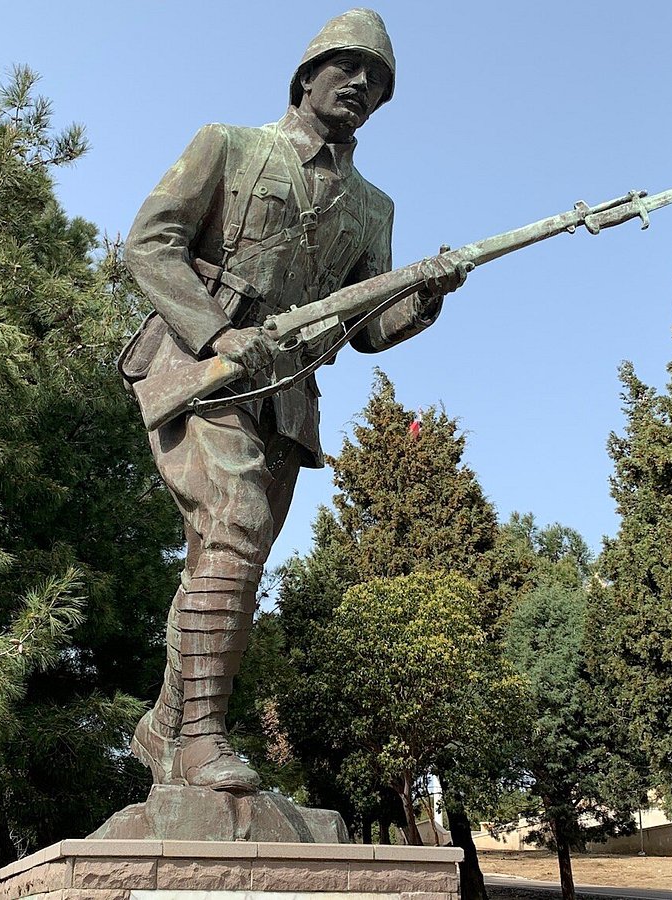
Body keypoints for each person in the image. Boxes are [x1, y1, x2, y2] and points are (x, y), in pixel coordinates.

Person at [120, 8, 468, 793]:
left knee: (227, 563)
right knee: (235, 528)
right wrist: (214, 334)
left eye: (376, 81)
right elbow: (150, 243)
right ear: (307, 74)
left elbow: (367, 325)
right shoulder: (230, 145)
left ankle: (167, 727)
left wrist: (426, 293)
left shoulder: (373, 207)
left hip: (286, 401)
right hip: (200, 371)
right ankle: (202, 739)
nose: (360, 85)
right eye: (347, 67)